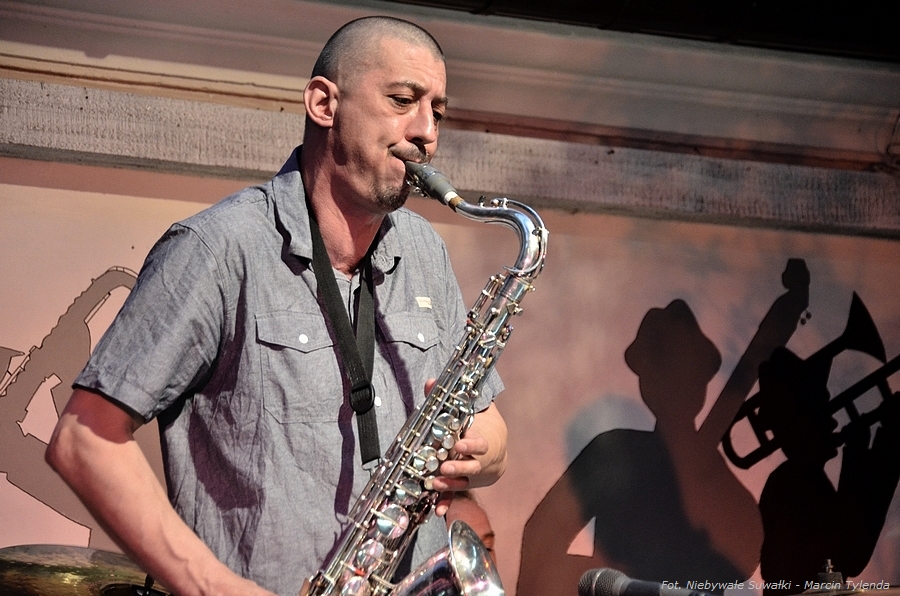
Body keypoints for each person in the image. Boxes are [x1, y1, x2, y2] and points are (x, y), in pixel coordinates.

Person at [45, 16, 508, 596]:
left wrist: (479, 453)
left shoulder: (425, 251)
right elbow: (84, 439)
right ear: (323, 103)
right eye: (401, 101)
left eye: (437, 112)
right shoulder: (218, 248)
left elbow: (490, 431)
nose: (426, 132)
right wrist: (213, 586)